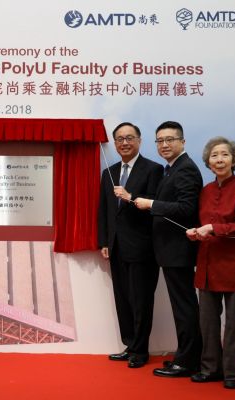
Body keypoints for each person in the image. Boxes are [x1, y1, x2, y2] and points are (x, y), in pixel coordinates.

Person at [185, 137, 235, 389]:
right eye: (214, 155)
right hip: (207, 262)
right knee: (207, 321)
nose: (218, 159)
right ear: (208, 161)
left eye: (224, 155)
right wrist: (196, 232)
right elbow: (203, 223)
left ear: (234, 160)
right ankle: (210, 368)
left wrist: (212, 228)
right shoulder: (205, 191)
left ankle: (234, 373)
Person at [134, 120, 202, 377]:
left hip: (179, 249)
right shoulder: (173, 168)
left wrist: (151, 204)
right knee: (182, 305)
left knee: (184, 306)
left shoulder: (185, 169)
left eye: (170, 139)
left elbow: (187, 209)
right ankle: (186, 355)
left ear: (182, 142)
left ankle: (188, 361)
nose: (164, 145)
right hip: (170, 249)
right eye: (160, 140)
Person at [98, 122, 162, 368]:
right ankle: (129, 345)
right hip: (116, 247)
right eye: (120, 139)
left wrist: (131, 197)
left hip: (142, 247)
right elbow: (104, 210)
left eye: (129, 138)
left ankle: (141, 350)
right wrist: (104, 240)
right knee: (123, 299)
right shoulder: (109, 172)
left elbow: (157, 205)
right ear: (115, 143)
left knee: (141, 300)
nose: (124, 143)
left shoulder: (153, 169)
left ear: (139, 140)